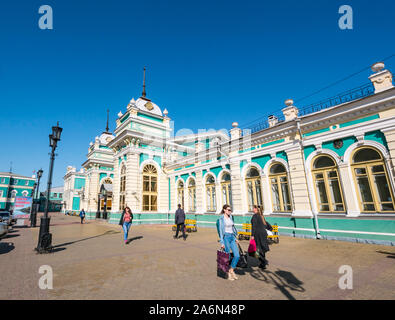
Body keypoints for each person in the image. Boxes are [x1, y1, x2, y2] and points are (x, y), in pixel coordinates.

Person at [217, 204, 240, 281]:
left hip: (232, 237)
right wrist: (222, 242)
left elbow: (233, 228)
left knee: (237, 255)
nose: (230, 211)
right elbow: (220, 232)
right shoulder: (221, 219)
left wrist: (235, 237)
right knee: (227, 256)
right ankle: (228, 273)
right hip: (226, 237)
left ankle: (231, 270)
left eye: (230, 210)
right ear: (224, 210)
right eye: (229, 210)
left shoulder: (231, 217)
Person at [251, 205, 272, 269]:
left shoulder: (255, 216)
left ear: (255, 209)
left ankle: (263, 261)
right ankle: (262, 264)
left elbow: (254, 226)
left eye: (253, 208)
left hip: (258, 234)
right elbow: (266, 224)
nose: (252, 209)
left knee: (256, 249)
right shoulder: (261, 215)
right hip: (263, 234)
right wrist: (270, 228)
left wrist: (252, 235)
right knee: (262, 248)